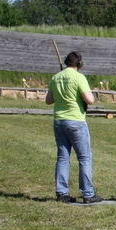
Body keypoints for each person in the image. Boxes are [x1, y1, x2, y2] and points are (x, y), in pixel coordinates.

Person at [45, 51, 102, 203]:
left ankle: (62, 193)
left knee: (63, 158)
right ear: (79, 64)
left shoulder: (56, 77)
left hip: (59, 121)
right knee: (84, 158)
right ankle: (88, 194)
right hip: (76, 121)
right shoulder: (79, 77)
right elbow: (90, 100)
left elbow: (48, 100)